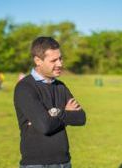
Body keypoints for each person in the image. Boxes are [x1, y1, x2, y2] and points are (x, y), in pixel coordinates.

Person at [14, 37, 86, 168]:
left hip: (64, 162)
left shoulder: (60, 86)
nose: (60, 64)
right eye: (54, 60)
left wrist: (55, 113)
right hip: (37, 164)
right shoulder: (25, 87)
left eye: (60, 58)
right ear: (38, 61)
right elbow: (45, 125)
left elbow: (81, 118)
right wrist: (66, 114)